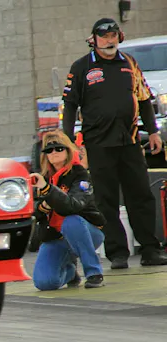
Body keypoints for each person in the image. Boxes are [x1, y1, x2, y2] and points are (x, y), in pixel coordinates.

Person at [62, 18, 167, 269]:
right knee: (105, 200)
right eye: (104, 36)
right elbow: (70, 105)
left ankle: (150, 250)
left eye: (113, 36)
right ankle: (117, 253)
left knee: (140, 196)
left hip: (130, 142)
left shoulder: (129, 63)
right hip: (98, 145)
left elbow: (144, 99)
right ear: (93, 40)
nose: (109, 41)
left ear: (119, 37)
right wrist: (68, 140)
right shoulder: (81, 67)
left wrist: (153, 132)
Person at [30, 130, 107, 290]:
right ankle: (70, 273)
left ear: (68, 151)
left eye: (59, 148)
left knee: (71, 221)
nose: (54, 153)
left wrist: (47, 190)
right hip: (55, 237)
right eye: (49, 150)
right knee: (44, 283)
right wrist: (42, 206)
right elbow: (31, 209)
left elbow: (73, 206)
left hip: (86, 231)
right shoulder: (41, 178)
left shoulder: (80, 174)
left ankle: (94, 273)